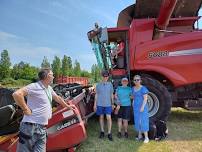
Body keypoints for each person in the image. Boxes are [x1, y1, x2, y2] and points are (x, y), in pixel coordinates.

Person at [12, 68, 74, 152]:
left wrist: (67, 106)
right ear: (47, 76)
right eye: (52, 75)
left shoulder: (49, 89)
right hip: (30, 127)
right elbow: (17, 94)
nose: (53, 77)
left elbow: (57, 98)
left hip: (42, 128)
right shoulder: (35, 86)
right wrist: (25, 109)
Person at [93, 70, 114, 141]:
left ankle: (109, 133)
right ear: (102, 76)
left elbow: (111, 94)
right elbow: (96, 94)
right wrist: (95, 104)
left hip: (108, 104)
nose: (105, 77)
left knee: (108, 117)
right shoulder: (98, 85)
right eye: (104, 76)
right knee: (101, 117)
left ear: (108, 77)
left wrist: (113, 103)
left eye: (106, 76)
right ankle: (102, 131)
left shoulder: (110, 84)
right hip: (100, 104)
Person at [132, 75, 150, 143]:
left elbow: (145, 99)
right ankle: (139, 136)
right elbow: (134, 97)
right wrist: (133, 103)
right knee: (137, 121)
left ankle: (146, 137)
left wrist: (142, 107)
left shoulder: (143, 88)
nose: (136, 81)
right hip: (136, 107)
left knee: (143, 121)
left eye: (138, 79)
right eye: (135, 80)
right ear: (133, 81)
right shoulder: (133, 88)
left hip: (142, 107)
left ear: (140, 80)